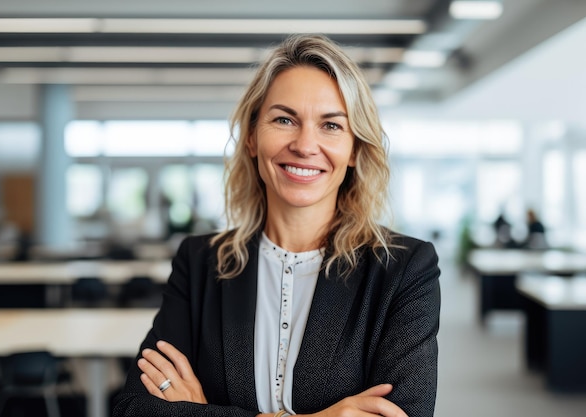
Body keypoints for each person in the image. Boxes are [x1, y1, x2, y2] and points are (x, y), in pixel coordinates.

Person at [113, 34, 440, 417]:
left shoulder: (403, 268)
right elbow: (134, 408)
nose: (304, 145)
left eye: (331, 126)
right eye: (284, 119)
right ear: (252, 137)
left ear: (354, 149)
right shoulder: (201, 261)